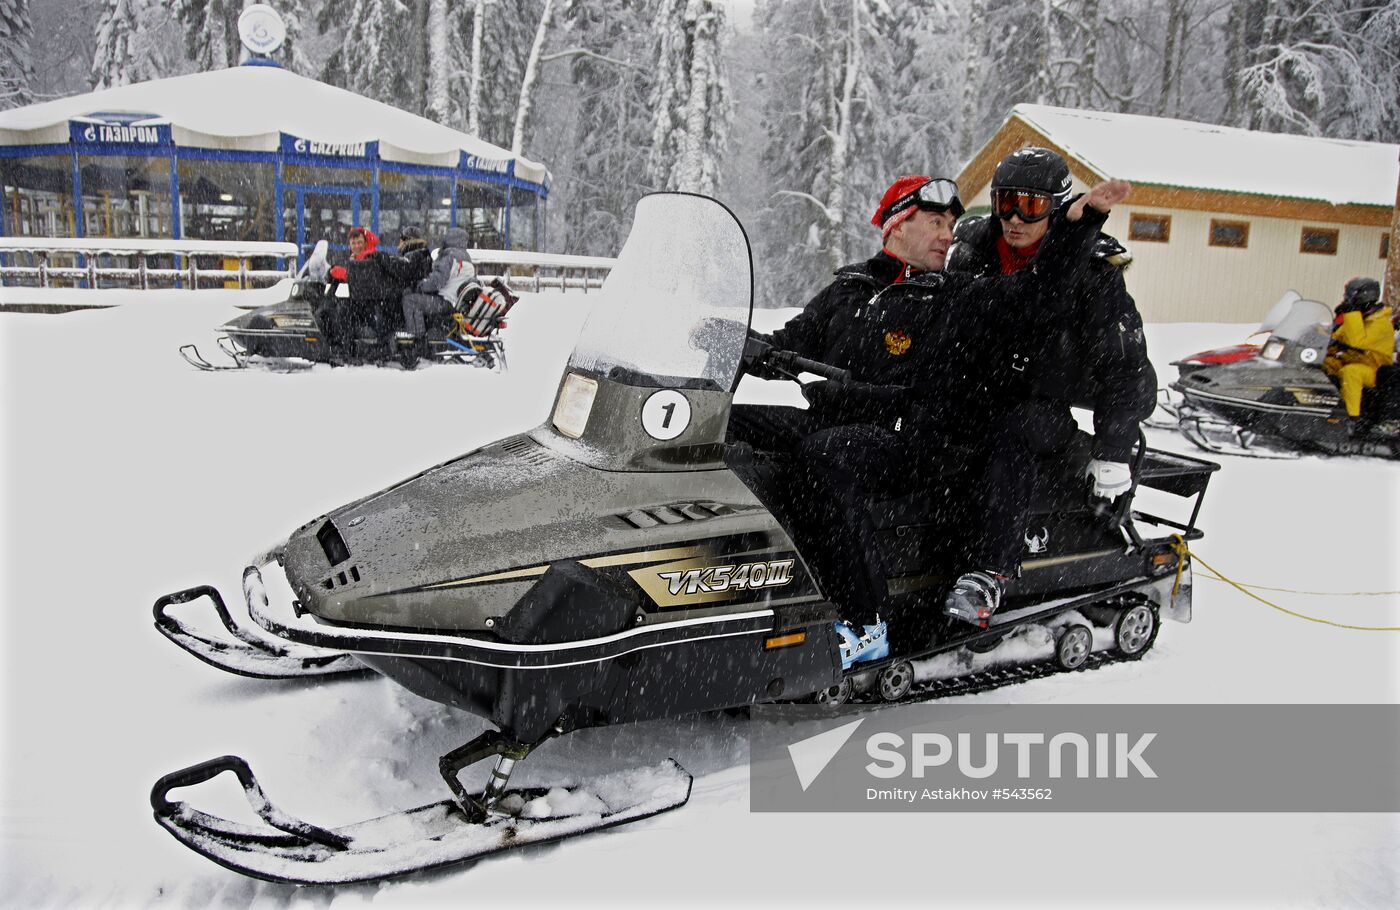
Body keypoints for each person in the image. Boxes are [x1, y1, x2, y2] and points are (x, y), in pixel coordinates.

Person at [734, 175, 1130, 656]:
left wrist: (1078, 224)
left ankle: (866, 626)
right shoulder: (852, 288)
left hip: (912, 442)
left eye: (953, 224)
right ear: (897, 227)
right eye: (936, 222)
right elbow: (790, 340)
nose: (950, 235)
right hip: (836, 423)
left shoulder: (957, 297)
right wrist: (731, 344)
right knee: (726, 424)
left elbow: (1037, 294)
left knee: (825, 455)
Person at [1324, 277, 1393, 418]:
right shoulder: (1362, 318)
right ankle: (1315, 409)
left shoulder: (1380, 322)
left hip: (1373, 369)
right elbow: (1338, 337)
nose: (1346, 298)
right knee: (1321, 366)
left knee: (1351, 372)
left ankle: (1350, 418)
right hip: (1350, 360)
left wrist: (1351, 313)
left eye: (1350, 295)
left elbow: (1356, 342)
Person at [397, 226, 477, 341]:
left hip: (445, 302)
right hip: (456, 302)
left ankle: (417, 338)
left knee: (410, 300)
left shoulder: (450, 256)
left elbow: (436, 282)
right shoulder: (466, 258)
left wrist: (419, 285)